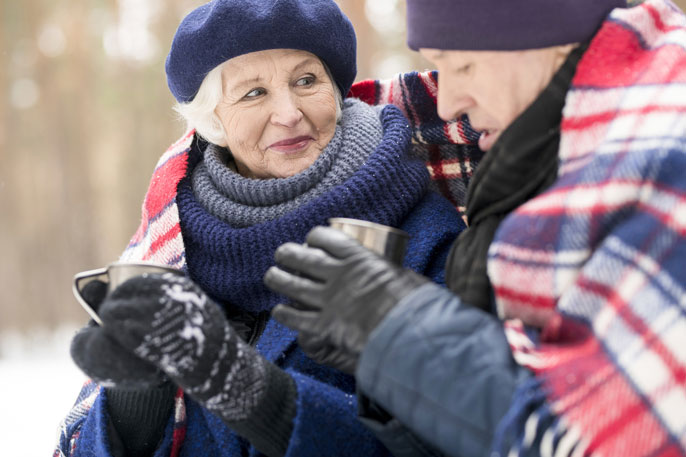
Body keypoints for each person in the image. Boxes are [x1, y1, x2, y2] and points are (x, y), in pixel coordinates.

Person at [265, 0, 686, 456]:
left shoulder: (667, 168)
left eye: (463, 64)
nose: (448, 105)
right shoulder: (544, 167)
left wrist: (401, 333)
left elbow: (610, 438)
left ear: (553, 39)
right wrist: (389, 367)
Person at [54, 0, 472, 456]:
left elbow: (451, 437)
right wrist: (138, 399)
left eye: (306, 81)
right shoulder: (173, 247)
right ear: (213, 120)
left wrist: (249, 391)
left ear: (336, 92)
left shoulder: (423, 236)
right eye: (253, 93)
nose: (289, 112)